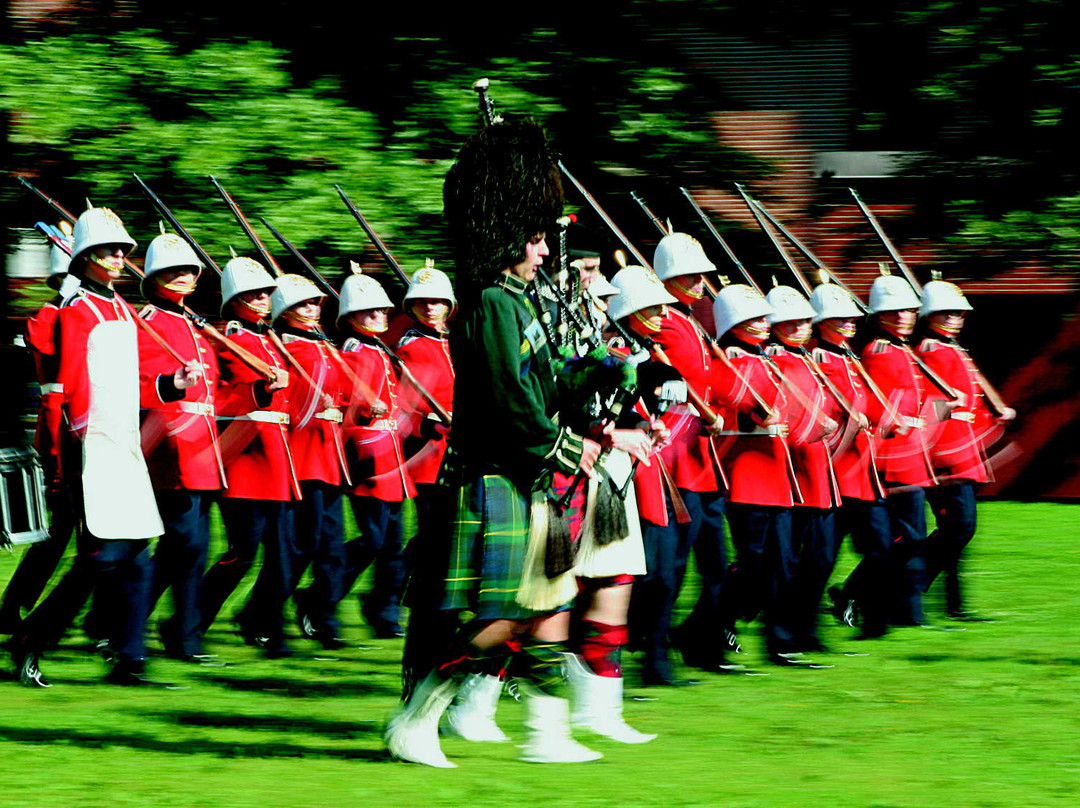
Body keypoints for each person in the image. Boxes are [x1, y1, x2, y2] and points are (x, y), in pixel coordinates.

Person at [385, 117, 604, 767]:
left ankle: (544, 731)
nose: (544, 251)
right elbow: (509, 394)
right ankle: (421, 715)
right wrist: (565, 445)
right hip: (496, 471)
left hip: (523, 471)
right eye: (535, 239)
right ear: (509, 236)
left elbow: (540, 380)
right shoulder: (488, 302)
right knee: (506, 613)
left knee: (544, 606)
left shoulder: (517, 300)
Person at [11, 205, 201, 687]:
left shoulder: (120, 308)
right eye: (107, 250)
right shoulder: (78, 310)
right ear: (86, 256)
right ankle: (35, 634)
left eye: (122, 250)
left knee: (134, 551)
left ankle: (128, 658)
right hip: (95, 442)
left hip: (126, 440)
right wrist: (88, 445)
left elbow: (135, 382)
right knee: (114, 551)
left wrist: (172, 384)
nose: (118, 257)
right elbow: (77, 384)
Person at [199, 256, 294, 657]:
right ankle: (189, 621)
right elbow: (216, 398)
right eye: (251, 294)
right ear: (233, 301)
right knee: (242, 553)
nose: (261, 299)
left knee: (287, 553)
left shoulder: (270, 338)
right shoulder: (228, 338)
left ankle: (264, 623)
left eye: (266, 293)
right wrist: (257, 392)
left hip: (278, 455)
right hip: (243, 453)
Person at [137, 232, 225, 662]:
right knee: (182, 543)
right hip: (172, 448)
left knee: (194, 546)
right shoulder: (150, 321)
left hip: (203, 451)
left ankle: (185, 637)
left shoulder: (194, 324)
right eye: (174, 270)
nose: (185, 276)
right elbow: (150, 390)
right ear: (154, 277)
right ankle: (125, 621)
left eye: (190, 269)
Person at [916, 278, 1015, 619]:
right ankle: (903, 586)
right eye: (947, 312)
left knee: (957, 533)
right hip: (944, 451)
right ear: (930, 316)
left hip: (962, 449)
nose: (956, 317)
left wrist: (993, 412)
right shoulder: (931, 351)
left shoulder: (950, 348)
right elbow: (931, 405)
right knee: (958, 528)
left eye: (959, 312)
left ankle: (954, 606)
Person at [858, 271, 946, 627]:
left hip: (914, 455)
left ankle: (905, 612)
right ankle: (858, 594)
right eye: (894, 312)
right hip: (894, 454)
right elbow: (874, 401)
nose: (903, 317)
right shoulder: (879, 351)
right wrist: (896, 421)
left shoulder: (902, 350)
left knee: (912, 535)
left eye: (909, 311)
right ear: (879, 317)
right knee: (906, 536)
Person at [808, 281, 893, 640]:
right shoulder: (818, 358)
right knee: (820, 558)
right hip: (835, 468)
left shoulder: (850, 357)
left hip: (861, 469)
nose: (850, 322)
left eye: (851, 317)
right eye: (839, 318)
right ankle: (803, 621)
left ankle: (857, 605)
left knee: (883, 547)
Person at [337, 268, 415, 640]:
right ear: (351, 317)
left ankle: (385, 614)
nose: (380, 317)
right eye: (370, 313)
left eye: (382, 311)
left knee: (392, 546)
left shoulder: (378, 350)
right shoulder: (354, 351)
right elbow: (348, 406)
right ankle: (323, 595)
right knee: (374, 542)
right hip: (370, 458)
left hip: (392, 459)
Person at [272, 274, 350, 649]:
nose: (312, 309)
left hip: (330, 458)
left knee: (332, 547)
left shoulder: (324, 347)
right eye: (303, 304)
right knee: (300, 547)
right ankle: (264, 614)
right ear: (285, 312)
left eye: (315, 303)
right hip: (301, 457)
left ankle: (323, 617)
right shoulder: (286, 349)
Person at [763, 285, 842, 653]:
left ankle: (806, 628)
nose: (798, 326)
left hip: (819, 473)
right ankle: (783, 634)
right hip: (791, 473)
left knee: (821, 558)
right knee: (784, 564)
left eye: (803, 320)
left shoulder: (808, 358)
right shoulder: (775, 358)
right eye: (789, 321)